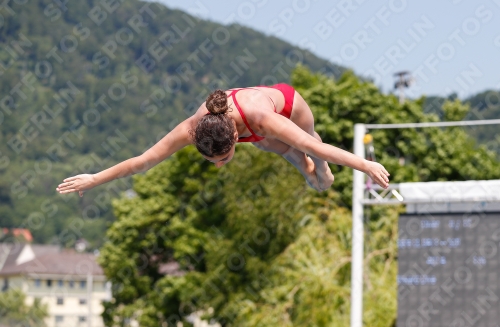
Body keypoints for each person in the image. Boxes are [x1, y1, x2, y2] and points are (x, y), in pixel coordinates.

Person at [56, 83, 390, 197]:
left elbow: (317, 145)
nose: (219, 164)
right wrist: (95, 178)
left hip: (288, 107)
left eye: (223, 157)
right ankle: (305, 170)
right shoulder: (192, 127)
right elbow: (142, 162)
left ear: (234, 136)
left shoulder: (262, 119)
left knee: (312, 157)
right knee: (266, 145)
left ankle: (316, 171)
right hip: (251, 131)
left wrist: (365, 164)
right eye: (214, 160)